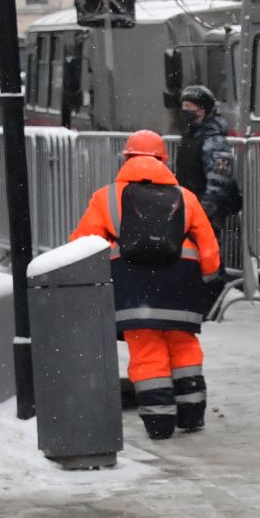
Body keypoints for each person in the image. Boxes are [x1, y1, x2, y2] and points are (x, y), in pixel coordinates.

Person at [72, 131, 222, 440]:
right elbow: (208, 247)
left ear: (126, 158)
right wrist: (207, 276)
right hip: (180, 284)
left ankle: (159, 422)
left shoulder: (107, 197)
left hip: (133, 286)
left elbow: (84, 242)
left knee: (147, 351)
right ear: (164, 161)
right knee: (184, 346)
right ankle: (191, 413)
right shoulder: (186, 197)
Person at [175, 85, 240, 223]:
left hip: (211, 217)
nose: (184, 110)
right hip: (192, 211)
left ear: (201, 110)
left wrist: (204, 211)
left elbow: (219, 181)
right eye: (183, 106)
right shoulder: (190, 137)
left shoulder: (214, 140)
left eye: (189, 106)